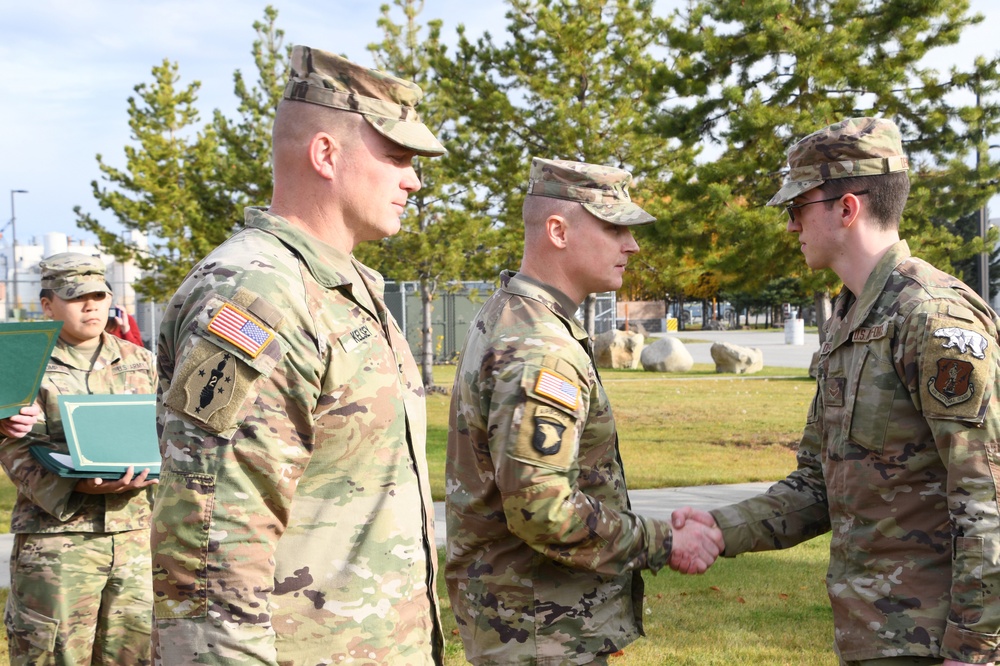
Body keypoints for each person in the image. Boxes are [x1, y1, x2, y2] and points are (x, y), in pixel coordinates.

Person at [151, 45, 447, 665]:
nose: (414, 180)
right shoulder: (257, 295)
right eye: (396, 157)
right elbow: (211, 545)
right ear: (325, 154)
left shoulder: (346, 285)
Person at [673, 117, 1000, 666]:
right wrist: (720, 527)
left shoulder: (932, 318)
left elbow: (987, 498)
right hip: (873, 638)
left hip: (935, 644)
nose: (791, 227)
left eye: (797, 208)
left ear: (846, 209)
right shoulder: (850, 321)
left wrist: (973, 650)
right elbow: (818, 486)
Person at [445, 157, 725, 665]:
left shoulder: (520, 315)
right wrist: (662, 541)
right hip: (539, 633)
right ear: (557, 230)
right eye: (615, 227)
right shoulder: (538, 346)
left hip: (532, 626)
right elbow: (544, 510)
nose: (632, 245)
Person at [0, 252, 158, 665]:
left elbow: (166, 433)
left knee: (135, 652)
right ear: (47, 304)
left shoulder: (142, 361)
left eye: (98, 295)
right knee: (53, 654)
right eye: (76, 297)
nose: (91, 306)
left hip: (135, 539)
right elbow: (12, 444)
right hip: (59, 541)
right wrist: (73, 486)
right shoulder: (20, 361)